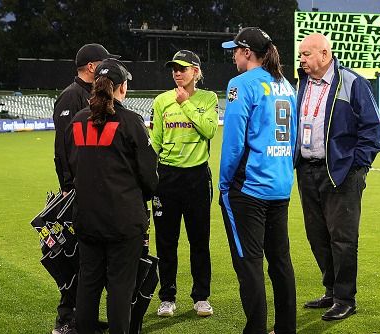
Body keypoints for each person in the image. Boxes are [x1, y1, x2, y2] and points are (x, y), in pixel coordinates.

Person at [64, 58, 158, 334]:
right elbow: (149, 173)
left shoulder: (80, 119)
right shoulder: (131, 121)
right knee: (120, 287)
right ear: (121, 88)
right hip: (123, 220)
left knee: (88, 283)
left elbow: (71, 164)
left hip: (87, 218)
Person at [295, 33, 380, 321]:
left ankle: (345, 299)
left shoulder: (353, 82)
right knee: (316, 236)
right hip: (307, 170)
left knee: (342, 238)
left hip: (341, 173)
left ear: (324, 54)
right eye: (301, 54)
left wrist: (357, 167)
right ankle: (331, 291)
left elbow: (372, 129)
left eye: (306, 54)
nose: (302, 59)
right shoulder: (301, 83)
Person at [219, 27, 298, 334]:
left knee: (249, 263)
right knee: (280, 261)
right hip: (280, 184)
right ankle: (286, 328)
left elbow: (235, 143)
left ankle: (255, 330)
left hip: (249, 188)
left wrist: (225, 183)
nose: (233, 56)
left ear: (247, 53)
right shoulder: (286, 86)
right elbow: (292, 140)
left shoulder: (240, 84)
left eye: (235, 50)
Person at [51, 43, 119, 334]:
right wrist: (67, 187)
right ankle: (66, 318)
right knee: (74, 257)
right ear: (92, 67)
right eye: (102, 63)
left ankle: (84, 317)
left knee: (90, 261)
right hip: (77, 192)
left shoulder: (91, 96)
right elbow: (64, 149)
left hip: (96, 191)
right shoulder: (71, 96)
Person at [149, 50, 218, 317]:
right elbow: (155, 141)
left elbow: (209, 130)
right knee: (166, 242)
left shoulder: (208, 98)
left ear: (196, 72)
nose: (177, 72)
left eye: (183, 68)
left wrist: (186, 103)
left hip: (197, 178)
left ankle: (201, 297)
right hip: (166, 178)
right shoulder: (161, 101)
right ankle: (167, 297)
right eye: (174, 69)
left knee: (199, 240)